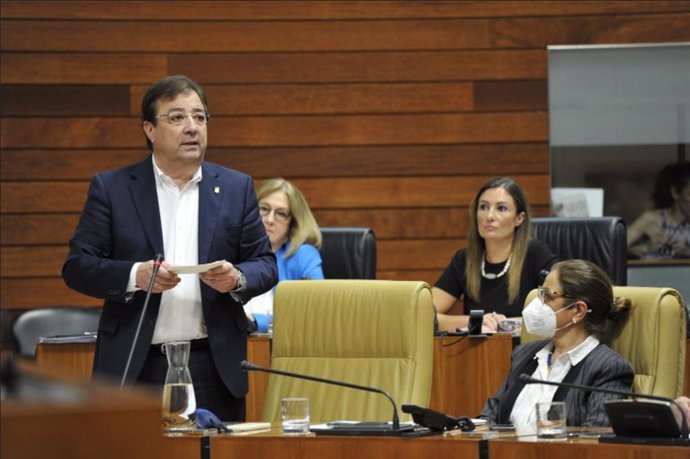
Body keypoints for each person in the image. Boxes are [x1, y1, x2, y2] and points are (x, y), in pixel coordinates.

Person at [62, 75, 278, 421]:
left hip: (213, 366)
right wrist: (136, 275)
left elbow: (265, 264)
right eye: (177, 117)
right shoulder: (113, 188)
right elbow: (77, 267)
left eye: (199, 116)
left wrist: (236, 278)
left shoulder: (236, 188)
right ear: (150, 129)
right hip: (136, 366)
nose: (192, 127)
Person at [479, 259, 634, 427]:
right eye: (540, 294)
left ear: (578, 310)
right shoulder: (524, 354)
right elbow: (488, 417)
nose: (537, 304)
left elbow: (596, 437)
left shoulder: (608, 367)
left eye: (547, 296)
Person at [433, 176, 557, 333]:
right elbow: (425, 315)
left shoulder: (535, 254)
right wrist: (477, 320)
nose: (489, 216)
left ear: (519, 218)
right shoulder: (465, 259)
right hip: (478, 353)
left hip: (524, 352)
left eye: (501, 208)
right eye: (483, 207)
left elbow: (559, 310)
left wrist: (506, 324)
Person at [244, 177, 324, 332]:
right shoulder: (232, 251)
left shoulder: (304, 256)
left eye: (281, 213)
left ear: (293, 222)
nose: (270, 219)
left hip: (282, 347)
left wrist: (256, 321)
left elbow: (314, 313)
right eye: (264, 209)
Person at [628, 162, 690, 259]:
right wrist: (646, 247)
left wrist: (685, 251)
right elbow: (615, 248)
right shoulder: (652, 219)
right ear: (675, 193)